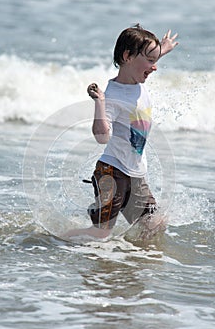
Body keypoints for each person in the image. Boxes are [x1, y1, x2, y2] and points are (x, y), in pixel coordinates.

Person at [64, 24, 178, 241]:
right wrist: (100, 102)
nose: (154, 67)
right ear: (127, 56)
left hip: (136, 174)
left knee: (155, 224)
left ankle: (130, 258)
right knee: (101, 233)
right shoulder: (113, 96)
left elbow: (144, 60)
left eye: (156, 59)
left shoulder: (138, 76)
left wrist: (163, 48)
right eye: (151, 60)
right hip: (111, 173)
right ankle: (56, 240)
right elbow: (101, 137)